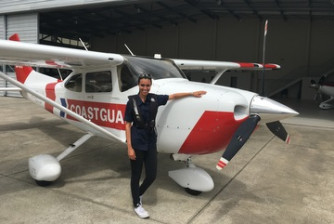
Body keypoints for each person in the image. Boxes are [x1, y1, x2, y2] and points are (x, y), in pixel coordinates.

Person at [124, 73, 206, 219]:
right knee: (135, 175)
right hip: (137, 142)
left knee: (152, 175)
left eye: (147, 85)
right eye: (142, 85)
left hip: (150, 142)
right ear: (138, 85)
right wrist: (129, 147)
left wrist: (191, 93)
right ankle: (137, 203)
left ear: (150, 86)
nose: (145, 88)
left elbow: (173, 96)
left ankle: (138, 193)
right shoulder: (132, 102)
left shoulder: (154, 98)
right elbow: (127, 124)